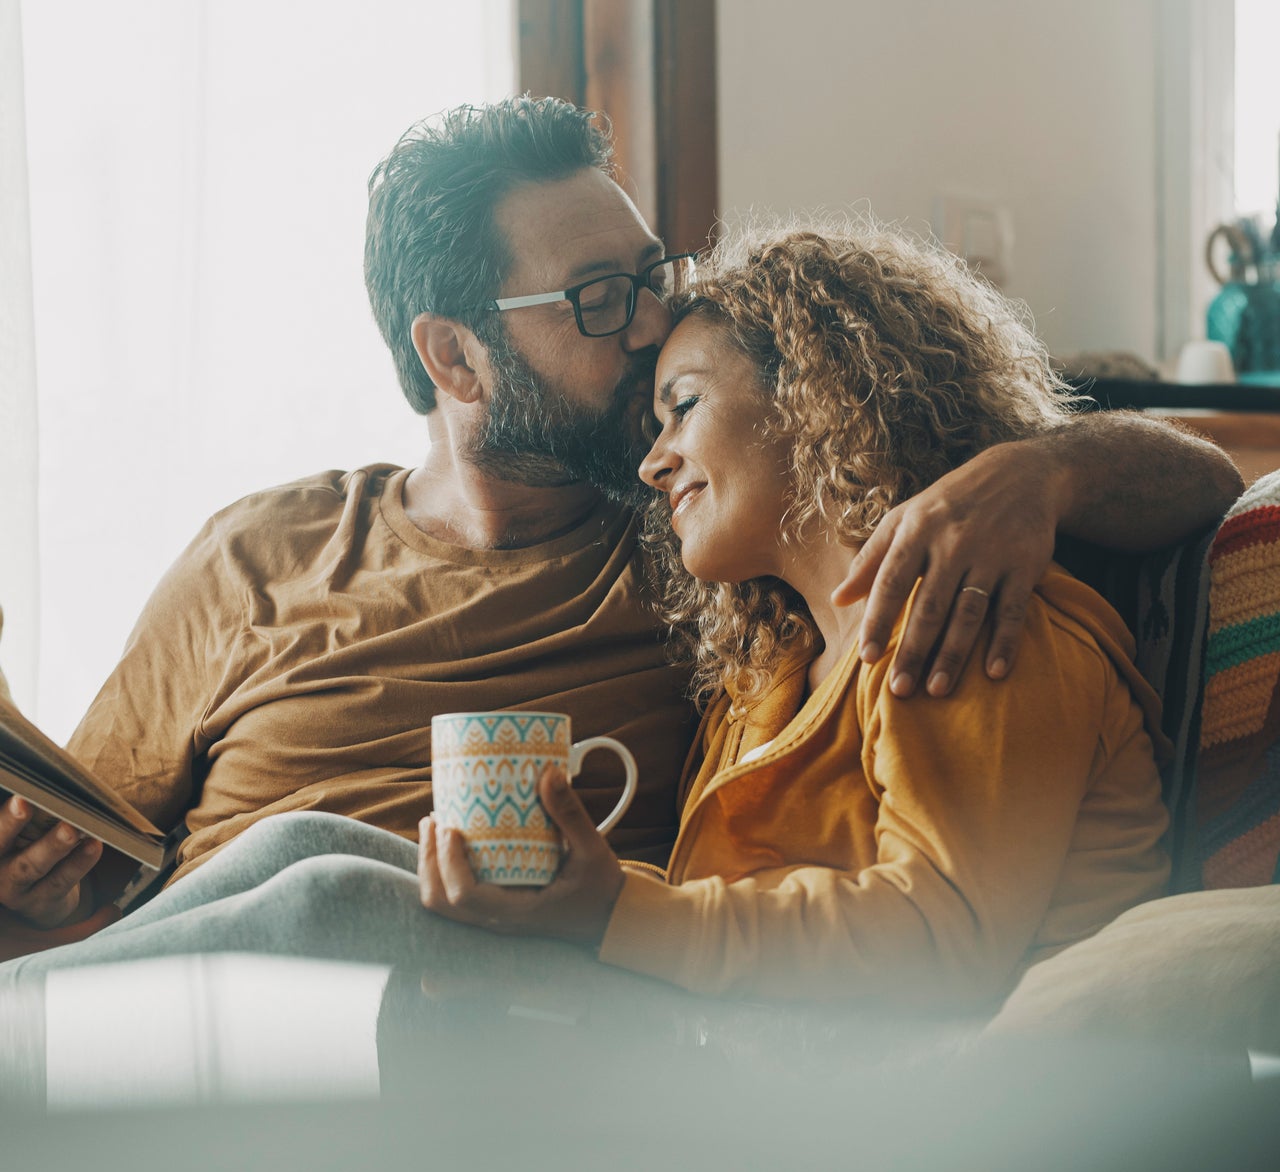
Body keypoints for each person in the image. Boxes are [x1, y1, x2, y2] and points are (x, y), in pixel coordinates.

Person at [0, 97, 1240, 975]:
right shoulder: (259, 555)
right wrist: (31, 872)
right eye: (599, 298)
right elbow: (96, 861)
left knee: (325, 871)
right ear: (453, 353)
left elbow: (1197, 476)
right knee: (301, 851)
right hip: (205, 1003)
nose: (650, 318)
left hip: (530, 1014)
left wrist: (1036, 472)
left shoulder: (718, 557)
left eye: (652, 272)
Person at [415, 220, 1175, 1011]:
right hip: (782, 1096)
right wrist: (573, 898)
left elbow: (935, 938)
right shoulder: (771, 675)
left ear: (817, 396)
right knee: (334, 865)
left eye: (683, 406)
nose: (653, 461)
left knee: (343, 892)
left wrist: (615, 912)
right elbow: (718, 916)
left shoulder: (959, 611)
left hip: (976, 1101)